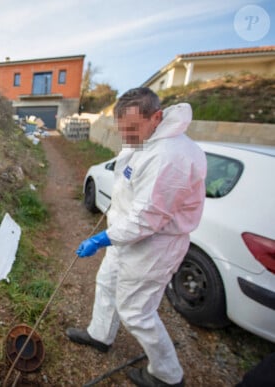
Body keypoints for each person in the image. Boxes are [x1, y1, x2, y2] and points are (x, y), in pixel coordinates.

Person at [65, 88, 207, 387]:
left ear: (156, 117)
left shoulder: (171, 157)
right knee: (106, 283)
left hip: (154, 246)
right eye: (122, 129)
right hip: (124, 237)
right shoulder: (146, 139)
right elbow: (129, 185)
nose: (126, 135)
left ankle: (168, 375)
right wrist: (113, 228)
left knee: (136, 312)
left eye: (132, 129)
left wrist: (101, 238)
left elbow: (147, 219)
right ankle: (100, 335)